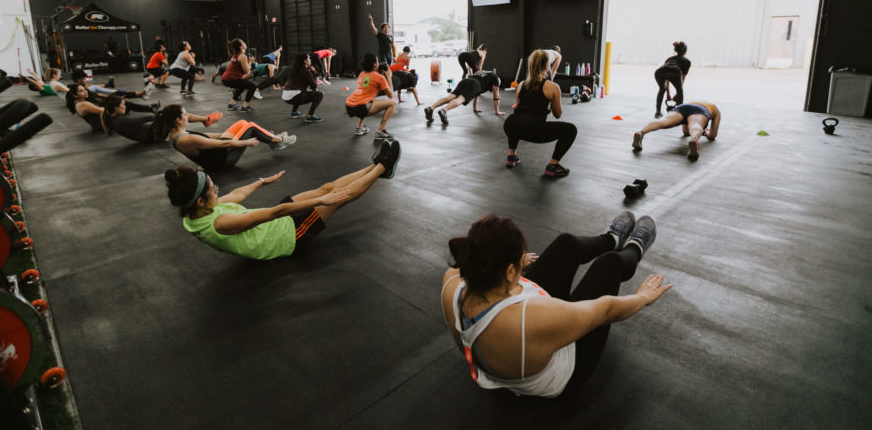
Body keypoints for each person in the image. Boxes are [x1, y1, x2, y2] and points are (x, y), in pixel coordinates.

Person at [440, 213, 669, 397]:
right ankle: (635, 247)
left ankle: (611, 239)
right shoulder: (532, 318)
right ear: (509, 272)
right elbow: (607, 310)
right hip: (563, 373)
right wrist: (643, 297)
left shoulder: (453, 279)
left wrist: (516, 264)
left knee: (566, 244)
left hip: (513, 342)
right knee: (609, 264)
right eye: (516, 262)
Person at [162, 141, 401, 260]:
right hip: (288, 236)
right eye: (213, 190)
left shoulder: (198, 211)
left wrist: (261, 182)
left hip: (276, 222)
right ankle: (384, 167)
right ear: (201, 201)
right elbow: (273, 213)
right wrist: (322, 201)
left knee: (327, 187)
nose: (217, 190)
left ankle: (374, 165)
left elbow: (235, 195)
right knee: (336, 198)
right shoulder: (219, 224)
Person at [503, 50, 577, 178]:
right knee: (571, 129)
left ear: (530, 65)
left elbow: (518, 107)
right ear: (547, 65)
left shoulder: (521, 85)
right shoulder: (553, 87)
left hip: (510, 125)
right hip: (534, 130)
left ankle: (511, 155)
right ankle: (553, 166)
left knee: (518, 120)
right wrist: (551, 103)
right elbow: (558, 114)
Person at [158, 104, 296, 170]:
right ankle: (279, 141)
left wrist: (208, 120)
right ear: (177, 120)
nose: (187, 116)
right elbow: (225, 144)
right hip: (223, 161)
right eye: (185, 115)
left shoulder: (176, 132)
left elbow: (206, 136)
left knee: (242, 123)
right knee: (251, 127)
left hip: (217, 154)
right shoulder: (185, 140)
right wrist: (246, 141)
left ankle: (270, 137)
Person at [99, 94, 222, 143]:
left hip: (150, 133)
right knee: (178, 114)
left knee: (176, 115)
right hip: (153, 136)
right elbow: (145, 118)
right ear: (115, 108)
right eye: (123, 105)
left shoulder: (110, 117)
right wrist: (162, 115)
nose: (125, 106)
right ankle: (207, 119)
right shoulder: (121, 120)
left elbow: (108, 130)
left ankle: (206, 120)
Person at [632, 100, 720, 161]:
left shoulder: (694, 101)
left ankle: (641, 132)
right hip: (701, 110)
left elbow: (685, 132)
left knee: (663, 122)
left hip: (682, 107)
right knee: (695, 125)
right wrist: (706, 132)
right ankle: (694, 139)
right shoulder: (715, 109)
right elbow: (713, 135)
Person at [65, 83, 157, 133]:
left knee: (122, 102)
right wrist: (116, 104)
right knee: (125, 106)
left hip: (101, 122)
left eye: (84, 89)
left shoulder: (81, 101)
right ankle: (150, 110)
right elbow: (102, 110)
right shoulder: (83, 104)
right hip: (102, 125)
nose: (85, 92)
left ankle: (150, 108)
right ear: (75, 95)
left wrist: (117, 101)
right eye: (81, 91)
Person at [345, 53, 395, 139]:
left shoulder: (362, 73)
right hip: (361, 107)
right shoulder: (380, 77)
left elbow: (370, 82)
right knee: (392, 103)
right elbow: (390, 95)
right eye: (377, 61)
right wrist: (389, 77)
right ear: (375, 64)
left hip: (349, 105)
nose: (378, 63)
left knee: (366, 100)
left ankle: (359, 128)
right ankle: (380, 131)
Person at [424, 69, 502, 125]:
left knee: (449, 97)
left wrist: (475, 109)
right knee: (460, 99)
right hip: (474, 84)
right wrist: (497, 111)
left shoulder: (483, 73)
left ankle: (431, 108)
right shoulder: (495, 78)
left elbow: (476, 95)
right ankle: (444, 110)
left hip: (465, 81)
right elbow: (496, 96)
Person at [653, 41, 691, 118]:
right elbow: (682, 79)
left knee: (662, 89)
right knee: (680, 91)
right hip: (675, 71)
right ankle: (679, 114)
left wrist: (668, 93)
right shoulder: (687, 61)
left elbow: (667, 78)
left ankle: (658, 112)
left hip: (659, 72)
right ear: (685, 51)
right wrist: (677, 93)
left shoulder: (670, 59)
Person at [282, 54, 323, 122]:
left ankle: (294, 112)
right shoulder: (305, 71)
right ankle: (310, 116)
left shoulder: (295, 69)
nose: (310, 60)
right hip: (294, 97)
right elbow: (314, 86)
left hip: (285, 96)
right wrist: (313, 72)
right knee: (319, 94)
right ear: (305, 61)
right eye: (309, 59)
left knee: (300, 92)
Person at [220, 38, 257, 112]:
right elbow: (247, 71)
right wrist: (250, 61)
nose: (244, 42)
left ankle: (231, 104)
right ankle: (245, 107)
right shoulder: (242, 56)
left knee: (242, 85)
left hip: (225, 79)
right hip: (231, 79)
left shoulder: (236, 55)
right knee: (252, 86)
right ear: (241, 46)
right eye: (242, 42)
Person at [71, 69, 152, 100]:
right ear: (78, 79)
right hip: (98, 101)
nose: (85, 80)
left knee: (93, 87)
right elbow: (101, 96)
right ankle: (142, 93)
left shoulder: (80, 87)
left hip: (95, 98)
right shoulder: (83, 90)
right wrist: (117, 98)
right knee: (117, 94)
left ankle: (141, 94)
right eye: (84, 79)